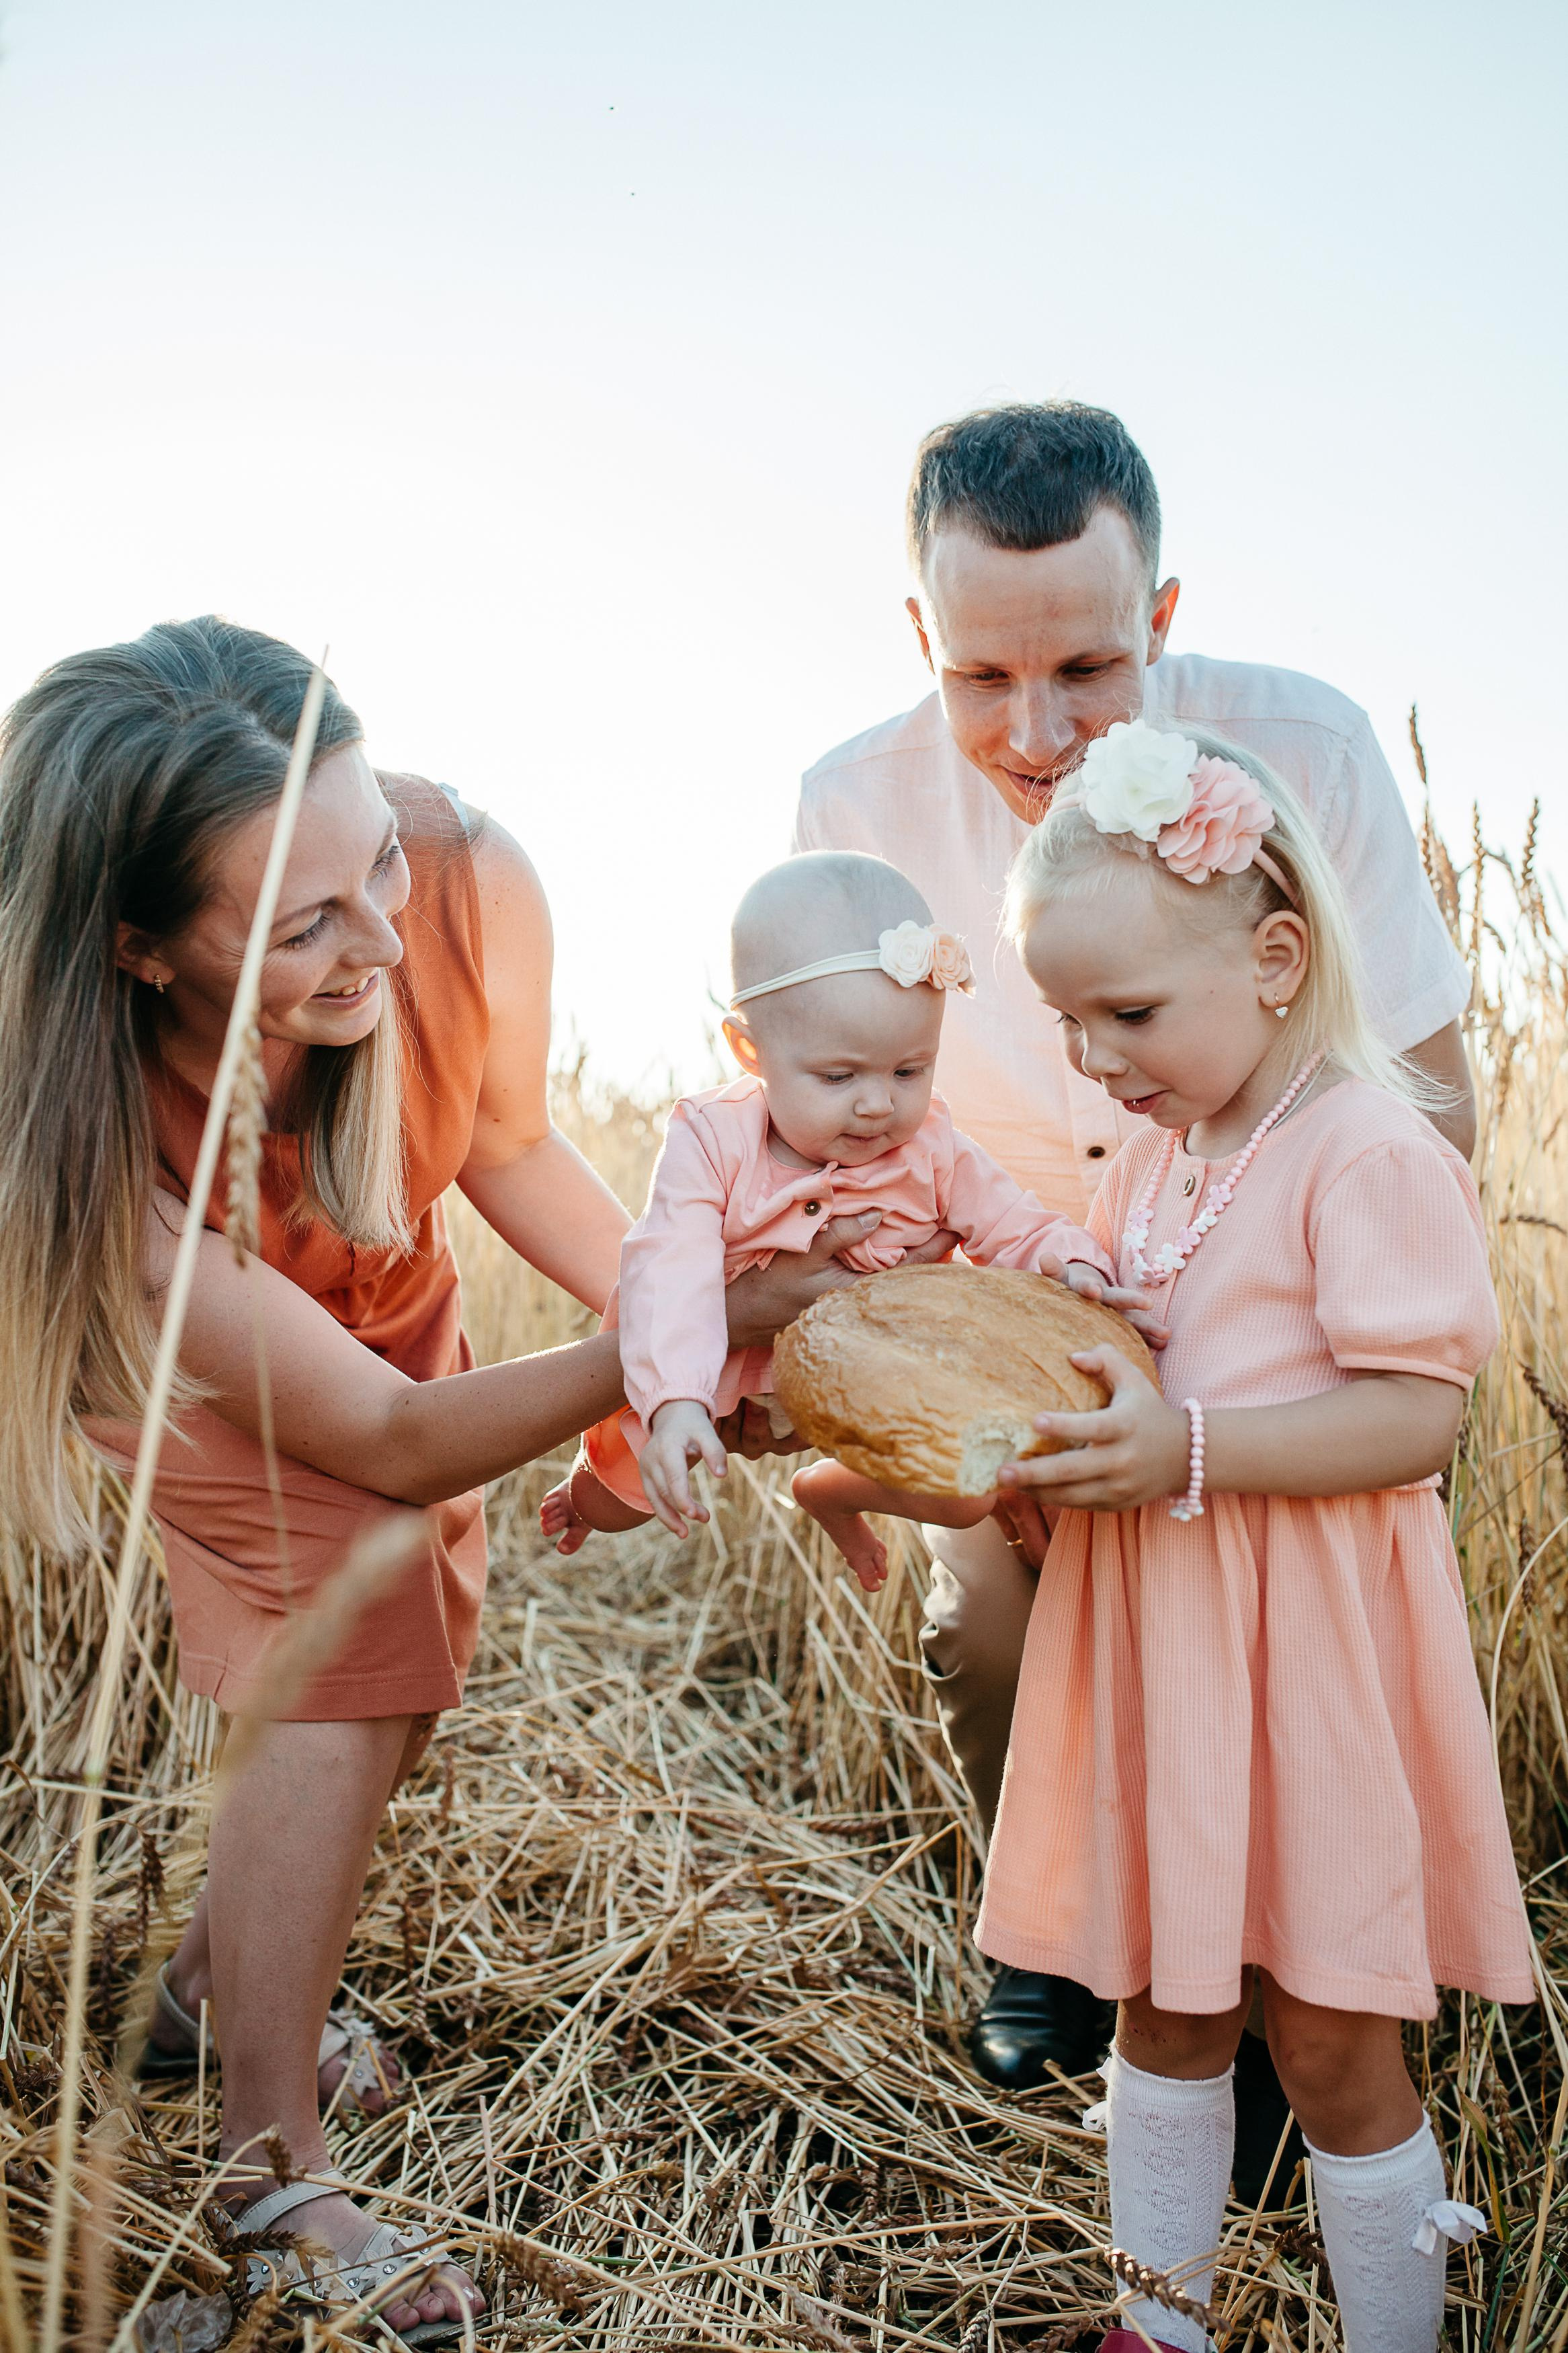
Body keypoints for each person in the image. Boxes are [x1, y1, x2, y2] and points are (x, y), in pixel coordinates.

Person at [0, 620, 865, 2341]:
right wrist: (712, 1324)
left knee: (415, 1647)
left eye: (373, 856)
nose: (386, 935)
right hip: (203, 1362)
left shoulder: (469, 882)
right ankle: (267, 2162)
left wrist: (697, 1343)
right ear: (143, 949)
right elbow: (386, 1447)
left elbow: (506, 1142)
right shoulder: (91, 1164)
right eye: (305, 925)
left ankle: (205, 1985)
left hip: (383, 1306)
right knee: (361, 1606)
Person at [793, 401, 1476, 2151]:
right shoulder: (844, 809)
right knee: (989, 1621)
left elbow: (1425, 1090)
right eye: (978, 680)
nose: (1030, 734)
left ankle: (1288, 1971)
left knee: (1267, 1645)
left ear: (1160, 620)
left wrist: (1291, 1354)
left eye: (1088, 667)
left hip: (1276, 1308)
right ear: (918, 642)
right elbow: (847, 1134)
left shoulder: (1304, 751)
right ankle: (1059, 1935)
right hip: (1013, 1307)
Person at [977, 719, 1530, 2353]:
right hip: (1169, 1660)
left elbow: (1416, 1416)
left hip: (1309, 1671)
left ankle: (1392, 2333)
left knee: (1338, 2038)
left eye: (1127, 1013)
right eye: (1066, 1020)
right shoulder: (1153, 1161)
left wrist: (1186, 1450)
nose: (1092, 1058)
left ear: (1276, 955)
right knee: (1166, 2001)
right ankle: (1159, 2324)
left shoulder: (1363, 1147)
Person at [540, 850, 1157, 1572]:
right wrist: (676, 1399)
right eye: (837, 1076)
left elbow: (1012, 1219)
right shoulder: (711, 1139)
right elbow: (668, 1270)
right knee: (630, 1490)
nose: (877, 1102)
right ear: (749, 1049)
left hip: (873, 1366)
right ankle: (581, 1496)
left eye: (908, 1070)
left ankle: (832, 1488)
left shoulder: (932, 1146)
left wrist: (1072, 1262)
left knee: (968, 1490)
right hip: (707, 1353)